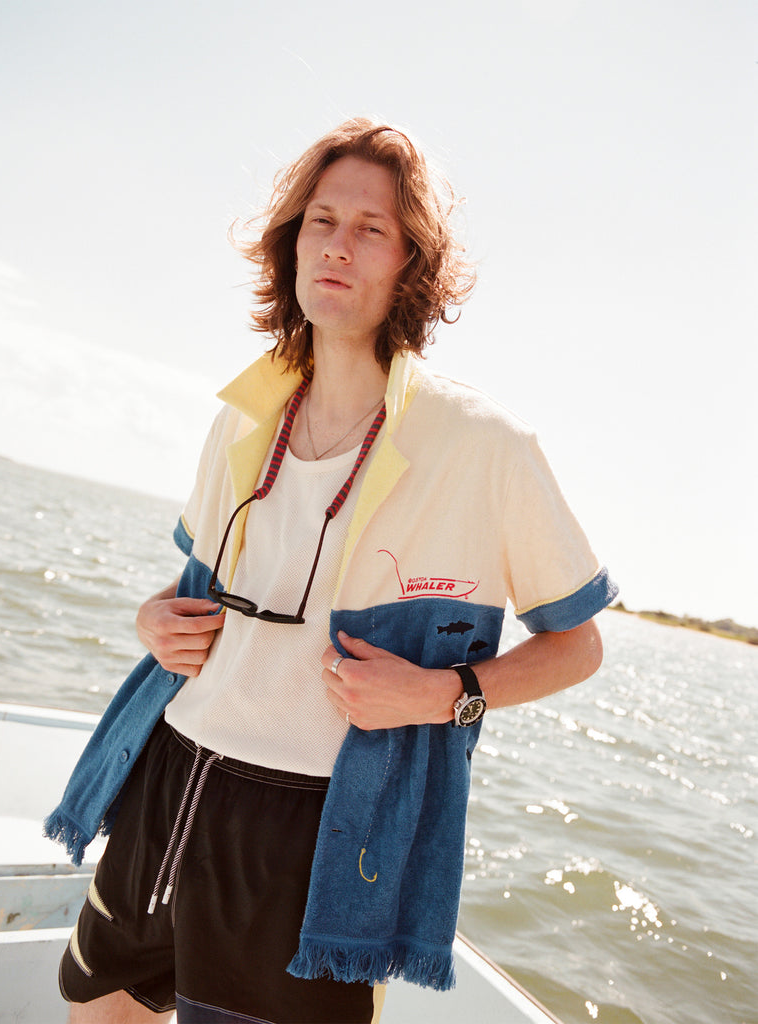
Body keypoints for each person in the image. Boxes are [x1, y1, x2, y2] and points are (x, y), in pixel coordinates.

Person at [46, 118, 618, 1024]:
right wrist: (152, 621)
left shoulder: (485, 446)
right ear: (291, 243)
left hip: (311, 830)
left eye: (370, 228)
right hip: (170, 772)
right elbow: (189, 587)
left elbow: (578, 646)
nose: (337, 246)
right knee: (98, 1011)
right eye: (321, 220)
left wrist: (442, 694)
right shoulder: (243, 413)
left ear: (409, 265)